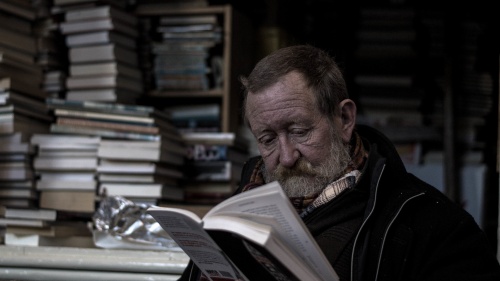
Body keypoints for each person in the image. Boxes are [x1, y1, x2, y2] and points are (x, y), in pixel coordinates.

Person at [179, 45, 500, 281]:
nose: (287, 156)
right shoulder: (237, 210)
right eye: (267, 140)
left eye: (299, 131)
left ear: (344, 119)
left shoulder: (436, 227)